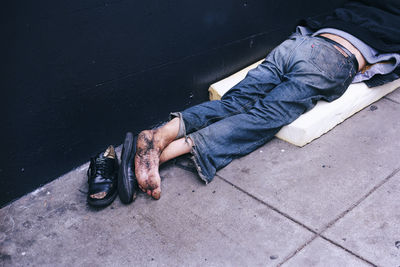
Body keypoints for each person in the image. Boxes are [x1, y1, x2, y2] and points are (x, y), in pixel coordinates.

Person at [87, 0, 400, 206]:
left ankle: (158, 135)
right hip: (333, 61)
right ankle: (166, 154)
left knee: (234, 102)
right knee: (262, 118)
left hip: (298, 45)